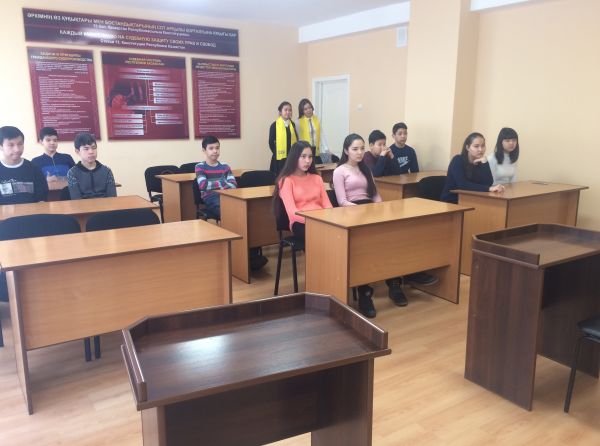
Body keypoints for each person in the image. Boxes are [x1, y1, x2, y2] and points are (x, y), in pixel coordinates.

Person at [333, 133, 407, 317]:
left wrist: (380, 209)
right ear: (346, 151)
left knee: (389, 242)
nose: (359, 152)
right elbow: (342, 201)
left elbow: (374, 194)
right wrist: (363, 212)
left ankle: (394, 284)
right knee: (363, 249)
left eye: (362, 148)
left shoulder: (365, 169)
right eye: (355, 149)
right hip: (351, 213)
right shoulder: (339, 171)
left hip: (369, 210)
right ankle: (365, 293)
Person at [273, 140, 332, 241]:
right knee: (322, 236)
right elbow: (293, 213)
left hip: (320, 220)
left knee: (339, 233)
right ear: (294, 158)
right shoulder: (286, 181)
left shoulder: (317, 178)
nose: (308, 161)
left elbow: (328, 206)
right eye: (303, 156)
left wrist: (327, 219)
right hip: (300, 223)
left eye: (310, 157)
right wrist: (316, 221)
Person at [441, 132, 505, 203]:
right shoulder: (457, 160)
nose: (480, 149)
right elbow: (462, 184)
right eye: (476, 146)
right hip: (452, 200)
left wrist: (485, 163)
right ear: (467, 147)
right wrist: (489, 188)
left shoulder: (481, 162)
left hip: (472, 199)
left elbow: (488, 183)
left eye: (483, 146)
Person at [0, 126, 47, 204]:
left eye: (20, 144)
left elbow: (42, 199)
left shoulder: (34, 169)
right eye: (11, 145)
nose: (17, 149)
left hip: (31, 211)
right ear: (1, 146)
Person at [67, 133, 117, 199]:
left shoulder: (107, 171)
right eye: (86, 149)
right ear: (77, 151)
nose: (91, 152)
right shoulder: (72, 172)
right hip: (83, 205)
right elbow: (76, 200)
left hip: (105, 204)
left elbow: (112, 198)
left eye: (94, 148)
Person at [296, 98, 330, 163]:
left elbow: (321, 134)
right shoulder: (298, 122)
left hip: (316, 151)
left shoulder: (316, 119)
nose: (308, 110)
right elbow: (298, 139)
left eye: (309, 107)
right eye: (305, 109)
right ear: (302, 111)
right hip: (305, 152)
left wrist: (326, 149)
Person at [269, 101, 298, 175]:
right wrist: (277, 152)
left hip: (291, 158)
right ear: (280, 112)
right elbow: (271, 142)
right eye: (285, 110)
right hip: (279, 159)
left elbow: (296, 140)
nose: (288, 112)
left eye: (290, 110)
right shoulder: (274, 125)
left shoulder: (293, 124)